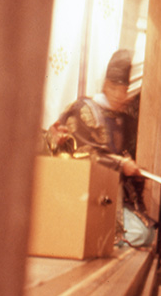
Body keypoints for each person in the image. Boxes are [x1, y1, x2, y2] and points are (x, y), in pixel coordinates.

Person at [48, 49, 154, 246]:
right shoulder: (83, 109)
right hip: (79, 191)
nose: (120, 95)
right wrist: (120, 165)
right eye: (115, 88)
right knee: (136, 233)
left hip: (108, 193)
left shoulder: (119, 119)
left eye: (124, 90)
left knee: (145, 233)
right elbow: (83, 154)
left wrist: (131, 169)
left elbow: (115, 156)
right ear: (106, 86)